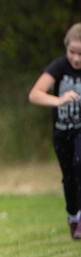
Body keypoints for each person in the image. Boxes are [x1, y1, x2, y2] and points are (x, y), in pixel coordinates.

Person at [28, 22, 81, 241]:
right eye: (72, 52)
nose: (76, 58)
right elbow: (35, 94)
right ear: (66, 48)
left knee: (80, 163)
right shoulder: (59, 67)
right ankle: (73, 217)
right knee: (69, 177)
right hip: (62, 133)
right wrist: (59, 100)